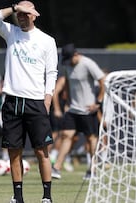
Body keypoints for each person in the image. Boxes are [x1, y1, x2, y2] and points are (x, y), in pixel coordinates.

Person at [0, 1, 58, 203]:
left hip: (36, 102)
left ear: (34, 16)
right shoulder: (11, 32)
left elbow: (51, 72)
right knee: (14, 151)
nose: (22, 17)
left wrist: (48, 98)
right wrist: (14, 7)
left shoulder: (47, 40)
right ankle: (18, 197)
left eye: (26, 14)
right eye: (20, 14)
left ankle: (47, 197)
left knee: (41, 151)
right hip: (12, 101)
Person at [51, 43, 105, 180]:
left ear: (76, 54)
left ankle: (92, 170)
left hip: (88, 110)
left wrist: (98, 102)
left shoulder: (88, 64)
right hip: (73, 109)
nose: (68, 62)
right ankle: (56, 168)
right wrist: (68, 100)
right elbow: (68, 82)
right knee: (66, 135)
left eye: (70, 59)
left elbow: (103, 81)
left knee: (91, 138)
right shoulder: (68, 65)